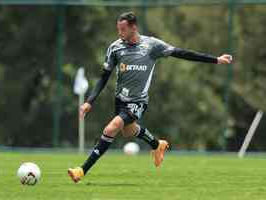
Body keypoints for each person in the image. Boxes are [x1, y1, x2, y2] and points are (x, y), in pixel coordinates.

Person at [68, 12, 233, 183]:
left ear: (133, 27)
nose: (120, 33)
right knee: (128, 131)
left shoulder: (152, 45)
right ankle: (157, 145)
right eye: (118, 30)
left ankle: (81, 170)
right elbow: (104, 77)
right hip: (120, 100)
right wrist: (89, 101)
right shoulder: (115, 48)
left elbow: (181, 53)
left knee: (111, 128)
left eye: (123, 30)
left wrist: (216, 60)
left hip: (138, 101)